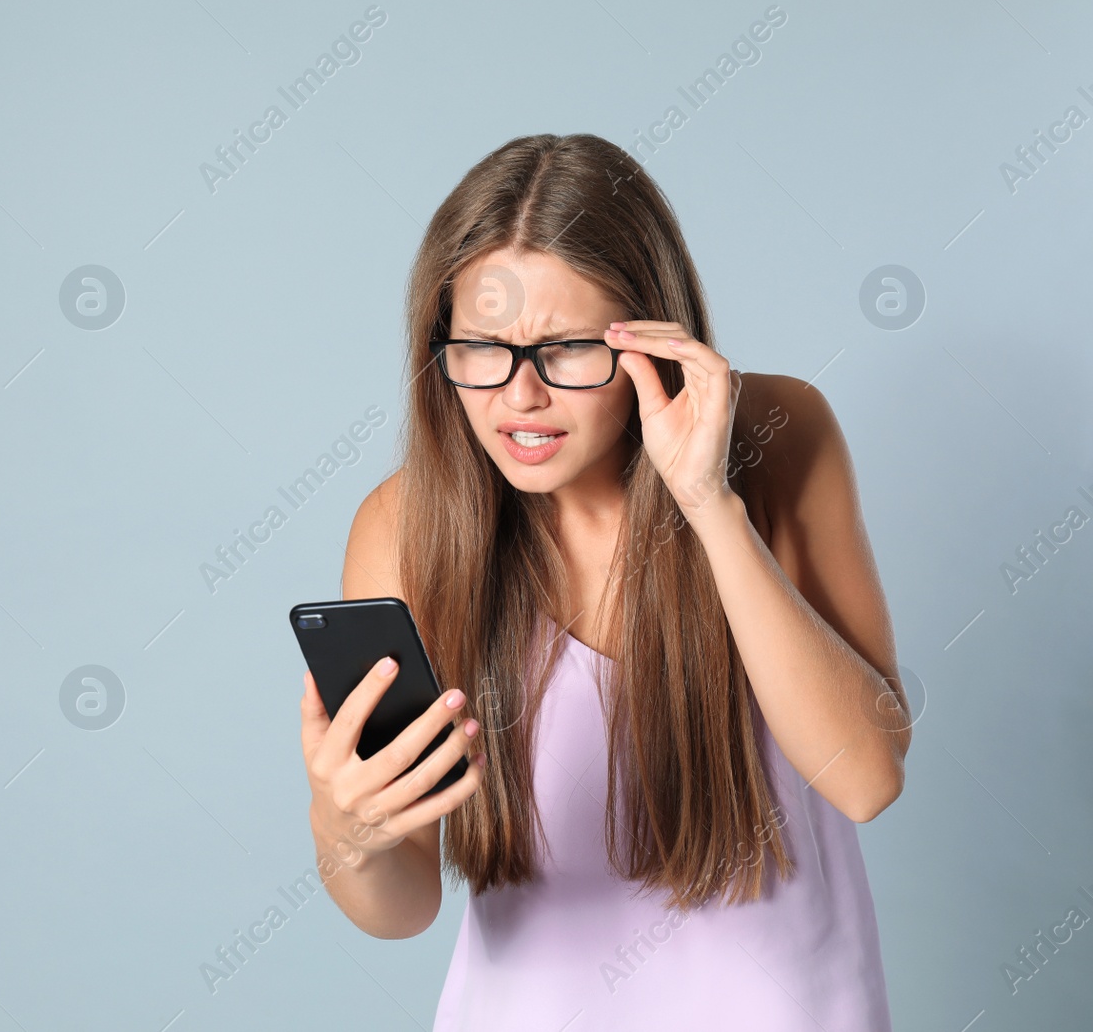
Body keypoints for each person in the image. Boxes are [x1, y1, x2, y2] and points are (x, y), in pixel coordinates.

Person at [297, 133, 910, 1029]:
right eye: (482, 349)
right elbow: (402, 909)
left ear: (651, 335)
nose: (520, 397)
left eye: (568, 350)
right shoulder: (401, 527)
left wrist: (708, 502)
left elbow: (865, 777)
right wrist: (347, 827)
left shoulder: (779, 434)